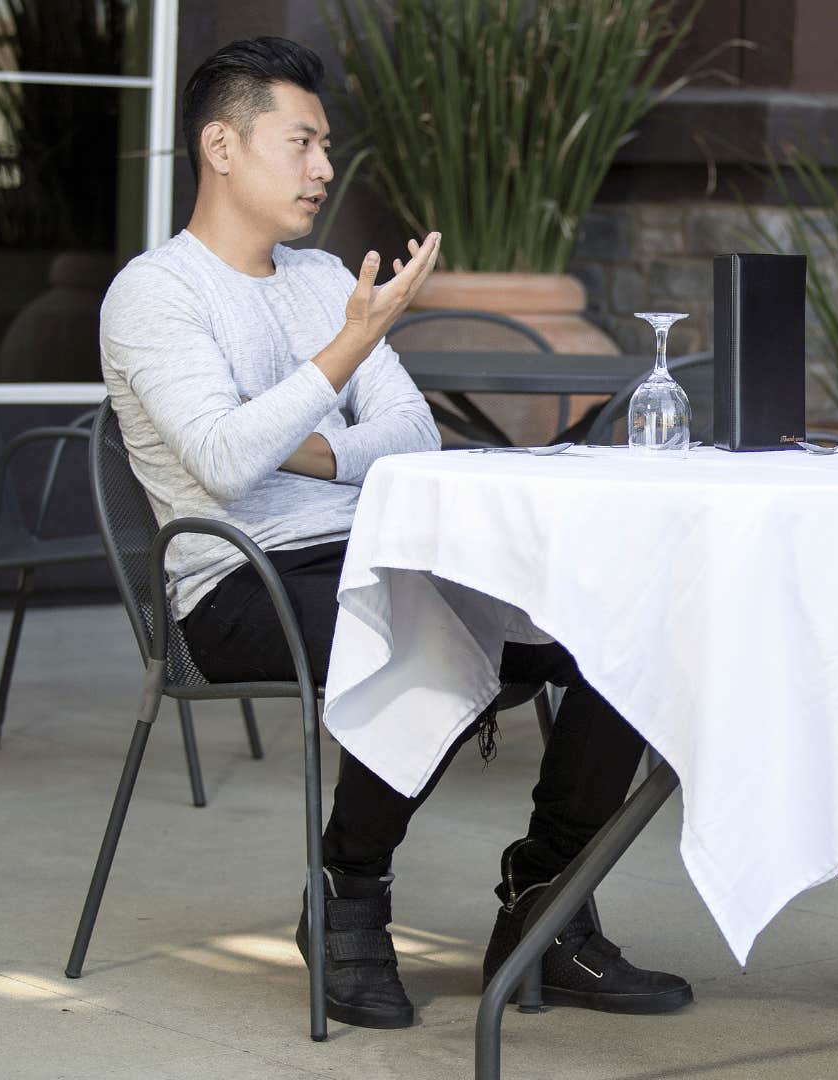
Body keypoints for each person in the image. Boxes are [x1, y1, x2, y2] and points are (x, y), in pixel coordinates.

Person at [98, 37, 691, 1030]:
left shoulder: (325, 272)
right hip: (231, 584)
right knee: (421, 624)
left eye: (325, 145)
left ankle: (547, 906)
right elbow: (222, 465)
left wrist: (303, 443)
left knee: (618, 619)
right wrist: (347, 352)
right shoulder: (155, 295)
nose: (325, 168)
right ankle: (347, 898)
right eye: (302, 143)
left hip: (371, 547)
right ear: (222, 147)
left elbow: (412, 432)